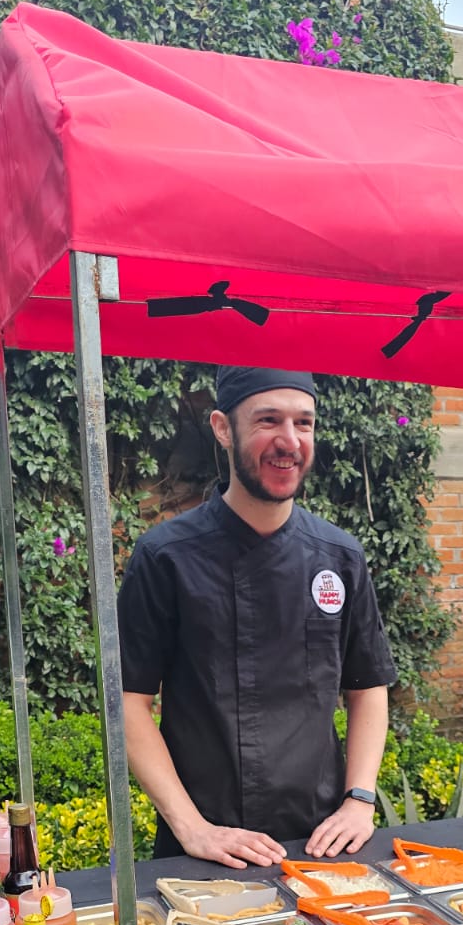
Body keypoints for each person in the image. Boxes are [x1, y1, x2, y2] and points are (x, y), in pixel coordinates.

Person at [117, 365, 396, 869]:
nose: (289, 441)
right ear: (223, 428)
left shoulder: (339, 556)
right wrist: (191, 828)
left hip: (321, 841)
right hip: (206, 850)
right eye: (268, 420)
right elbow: (127, 702)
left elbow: (368, 686)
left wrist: (359, 800)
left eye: (303, 422)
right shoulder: (166, 557)